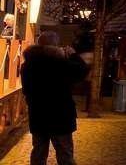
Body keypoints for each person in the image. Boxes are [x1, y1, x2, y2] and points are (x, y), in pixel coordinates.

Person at [21, 29, 86, 165]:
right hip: (61, 116)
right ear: (55, 45)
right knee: (64, 153)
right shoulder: (60, 63)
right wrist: (73, 55)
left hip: (38, 114)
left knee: (39, 152)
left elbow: (26, 90)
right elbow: (81, 71)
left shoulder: (27, 65)